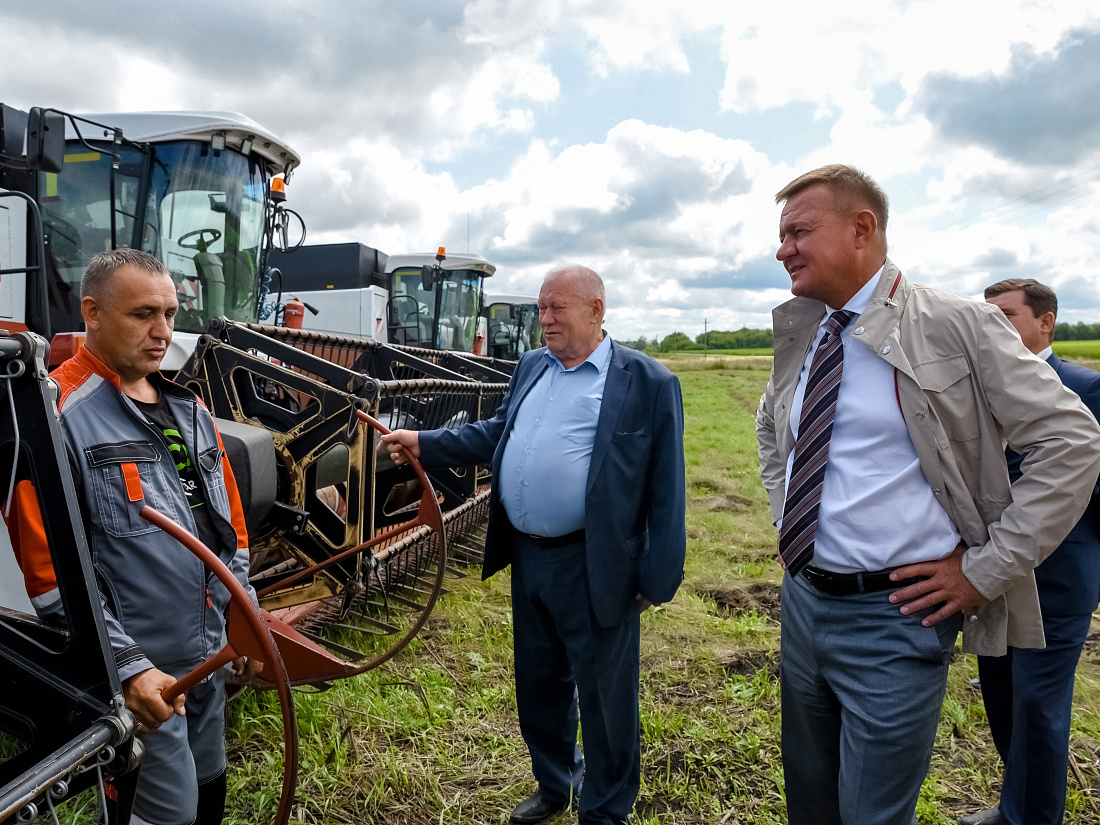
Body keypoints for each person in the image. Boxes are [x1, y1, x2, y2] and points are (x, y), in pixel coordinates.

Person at [755, 164, 1100, 825]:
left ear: (862, 228)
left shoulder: (958, 324)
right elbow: (774, 430)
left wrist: (985, 569)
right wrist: (784, 514)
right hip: (803, 606)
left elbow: (1073, 442)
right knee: (809, 797)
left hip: (896, 616)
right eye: (781, 235)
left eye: (798, 231)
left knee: (872, 813)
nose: (783, 249)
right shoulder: (805, 329)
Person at [380, 264, 686, 825]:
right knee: (539, 684)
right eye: (542, 308)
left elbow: (667, 488)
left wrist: (657, 576)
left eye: (557, 308)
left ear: (596, 311)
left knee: (605, 700)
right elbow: (497, 432)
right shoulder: (531, 368)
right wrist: (425, 442)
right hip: (529, 556)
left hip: (595, 563)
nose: (544, 319)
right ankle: (555, 782)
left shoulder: (647, 383)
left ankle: (605, 810)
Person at [6, 249, 259, 825]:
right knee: (167, 810)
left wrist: (245, 619)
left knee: (210, 781)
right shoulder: (52, 418)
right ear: (92, 312)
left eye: (170, 314)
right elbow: (52, 583)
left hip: (210, 656)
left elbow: (231, 533)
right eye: (144, 314)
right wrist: (127, 667)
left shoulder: (190, 410)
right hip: (144, 680)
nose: (163, 332)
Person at [958, 279, 1100, 825]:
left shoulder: (1088, 388)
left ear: (1046, 322)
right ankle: (1013, 804)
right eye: (986, 316)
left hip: (1055, 581)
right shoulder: (976, 392)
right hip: (986, 576)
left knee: (1039, 708)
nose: (995, 325)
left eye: (1008, 315)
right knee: (1001, 699)